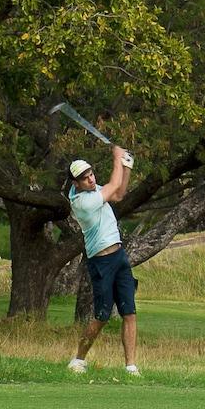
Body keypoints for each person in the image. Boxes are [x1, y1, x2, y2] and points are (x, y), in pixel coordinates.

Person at [63, 146, 141, 376]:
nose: (90, 179)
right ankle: (78, 359)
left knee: (129, 311)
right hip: (101, 263)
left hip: (119, 257)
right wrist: (117, 157)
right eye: (84, 178)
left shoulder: (92, 190)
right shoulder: (82, 202)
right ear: (75, 183)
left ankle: (131, 366)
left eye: (91, 174)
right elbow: (113, 187)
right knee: (102, 316)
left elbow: (118, 194)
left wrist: (127, 166)